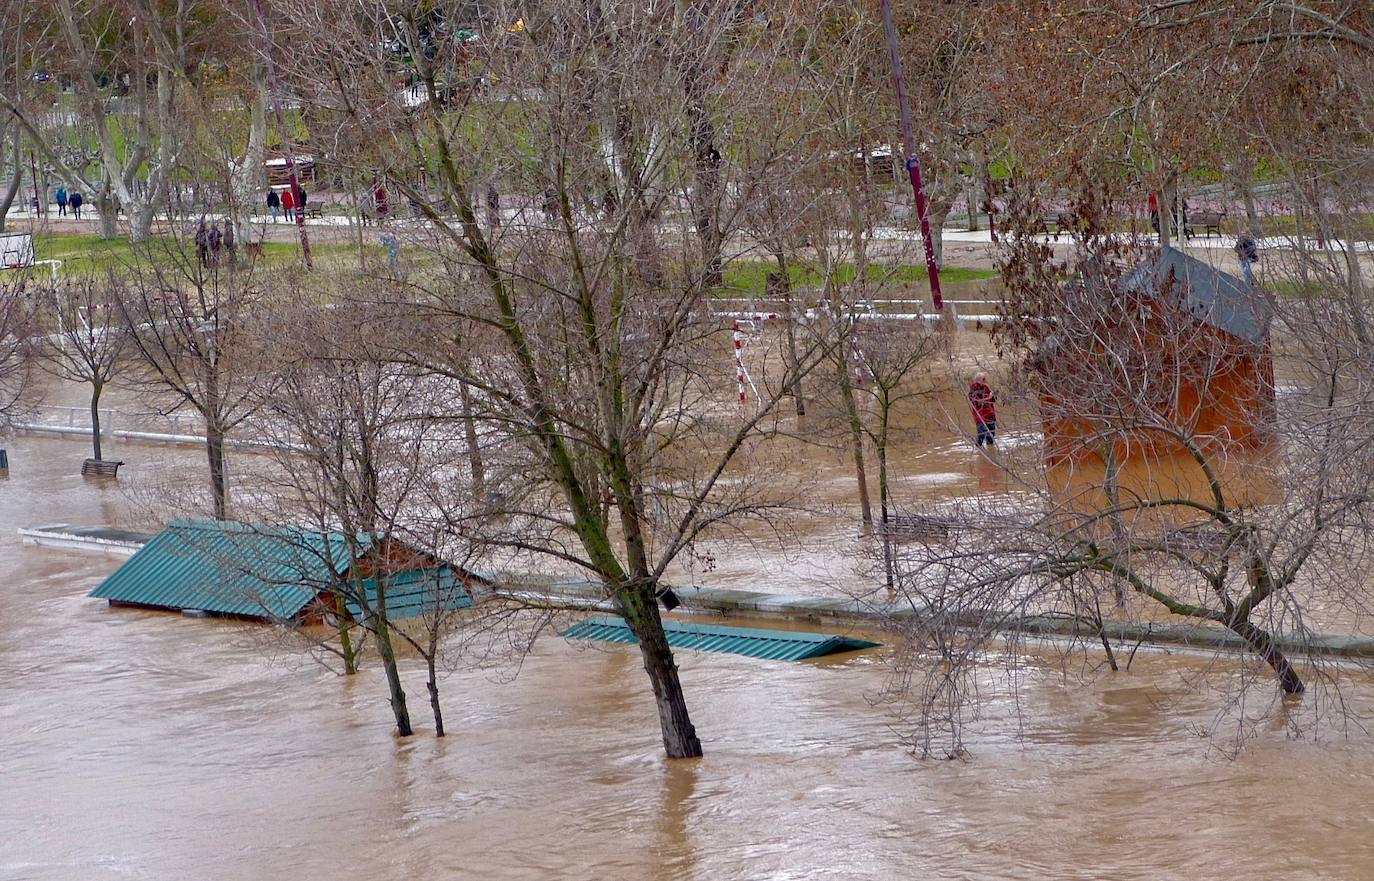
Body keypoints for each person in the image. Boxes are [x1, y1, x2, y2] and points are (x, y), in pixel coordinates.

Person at [968, 371, 997, 448]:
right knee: (981, 434)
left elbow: (993, 400)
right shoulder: (973, 389)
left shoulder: (986, 387)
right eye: (983, 379)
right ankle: (978, 451)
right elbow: (977, 402)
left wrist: (994, 395)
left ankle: (990, 451)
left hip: (990, 414)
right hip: (980, 416)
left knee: (991, 436)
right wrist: (989, 397)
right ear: (978, 380)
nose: (985, 381)